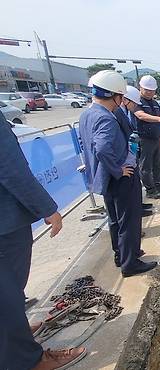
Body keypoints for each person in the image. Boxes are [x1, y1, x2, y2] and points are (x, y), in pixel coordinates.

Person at [0, 111, 87, 369]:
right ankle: (29, 360)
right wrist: (47, 208)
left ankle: (16, 335)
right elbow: (10, 168)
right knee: (7, 295)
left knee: (8, 297)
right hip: (4, 227)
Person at [79, 70, 157, 277]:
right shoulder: (106, 119)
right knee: (129, 220)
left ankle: (121, 254)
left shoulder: (87, 114)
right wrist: (118, 169)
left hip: (105, 179)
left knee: (115, 219)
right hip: (120, 177)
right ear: (115, 95)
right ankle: (130, 263)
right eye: (120, 97)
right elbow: (102, 148)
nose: (122, 101)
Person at [117, 85, 154, 217]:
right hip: (123, 160)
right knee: (127, 189)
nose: (135, 106)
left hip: (130, 155)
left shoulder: (124, 112)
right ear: (125, 100)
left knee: (134, 184)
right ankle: (135, 211)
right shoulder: (116, 113)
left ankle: (138, 206)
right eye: (133, 103)